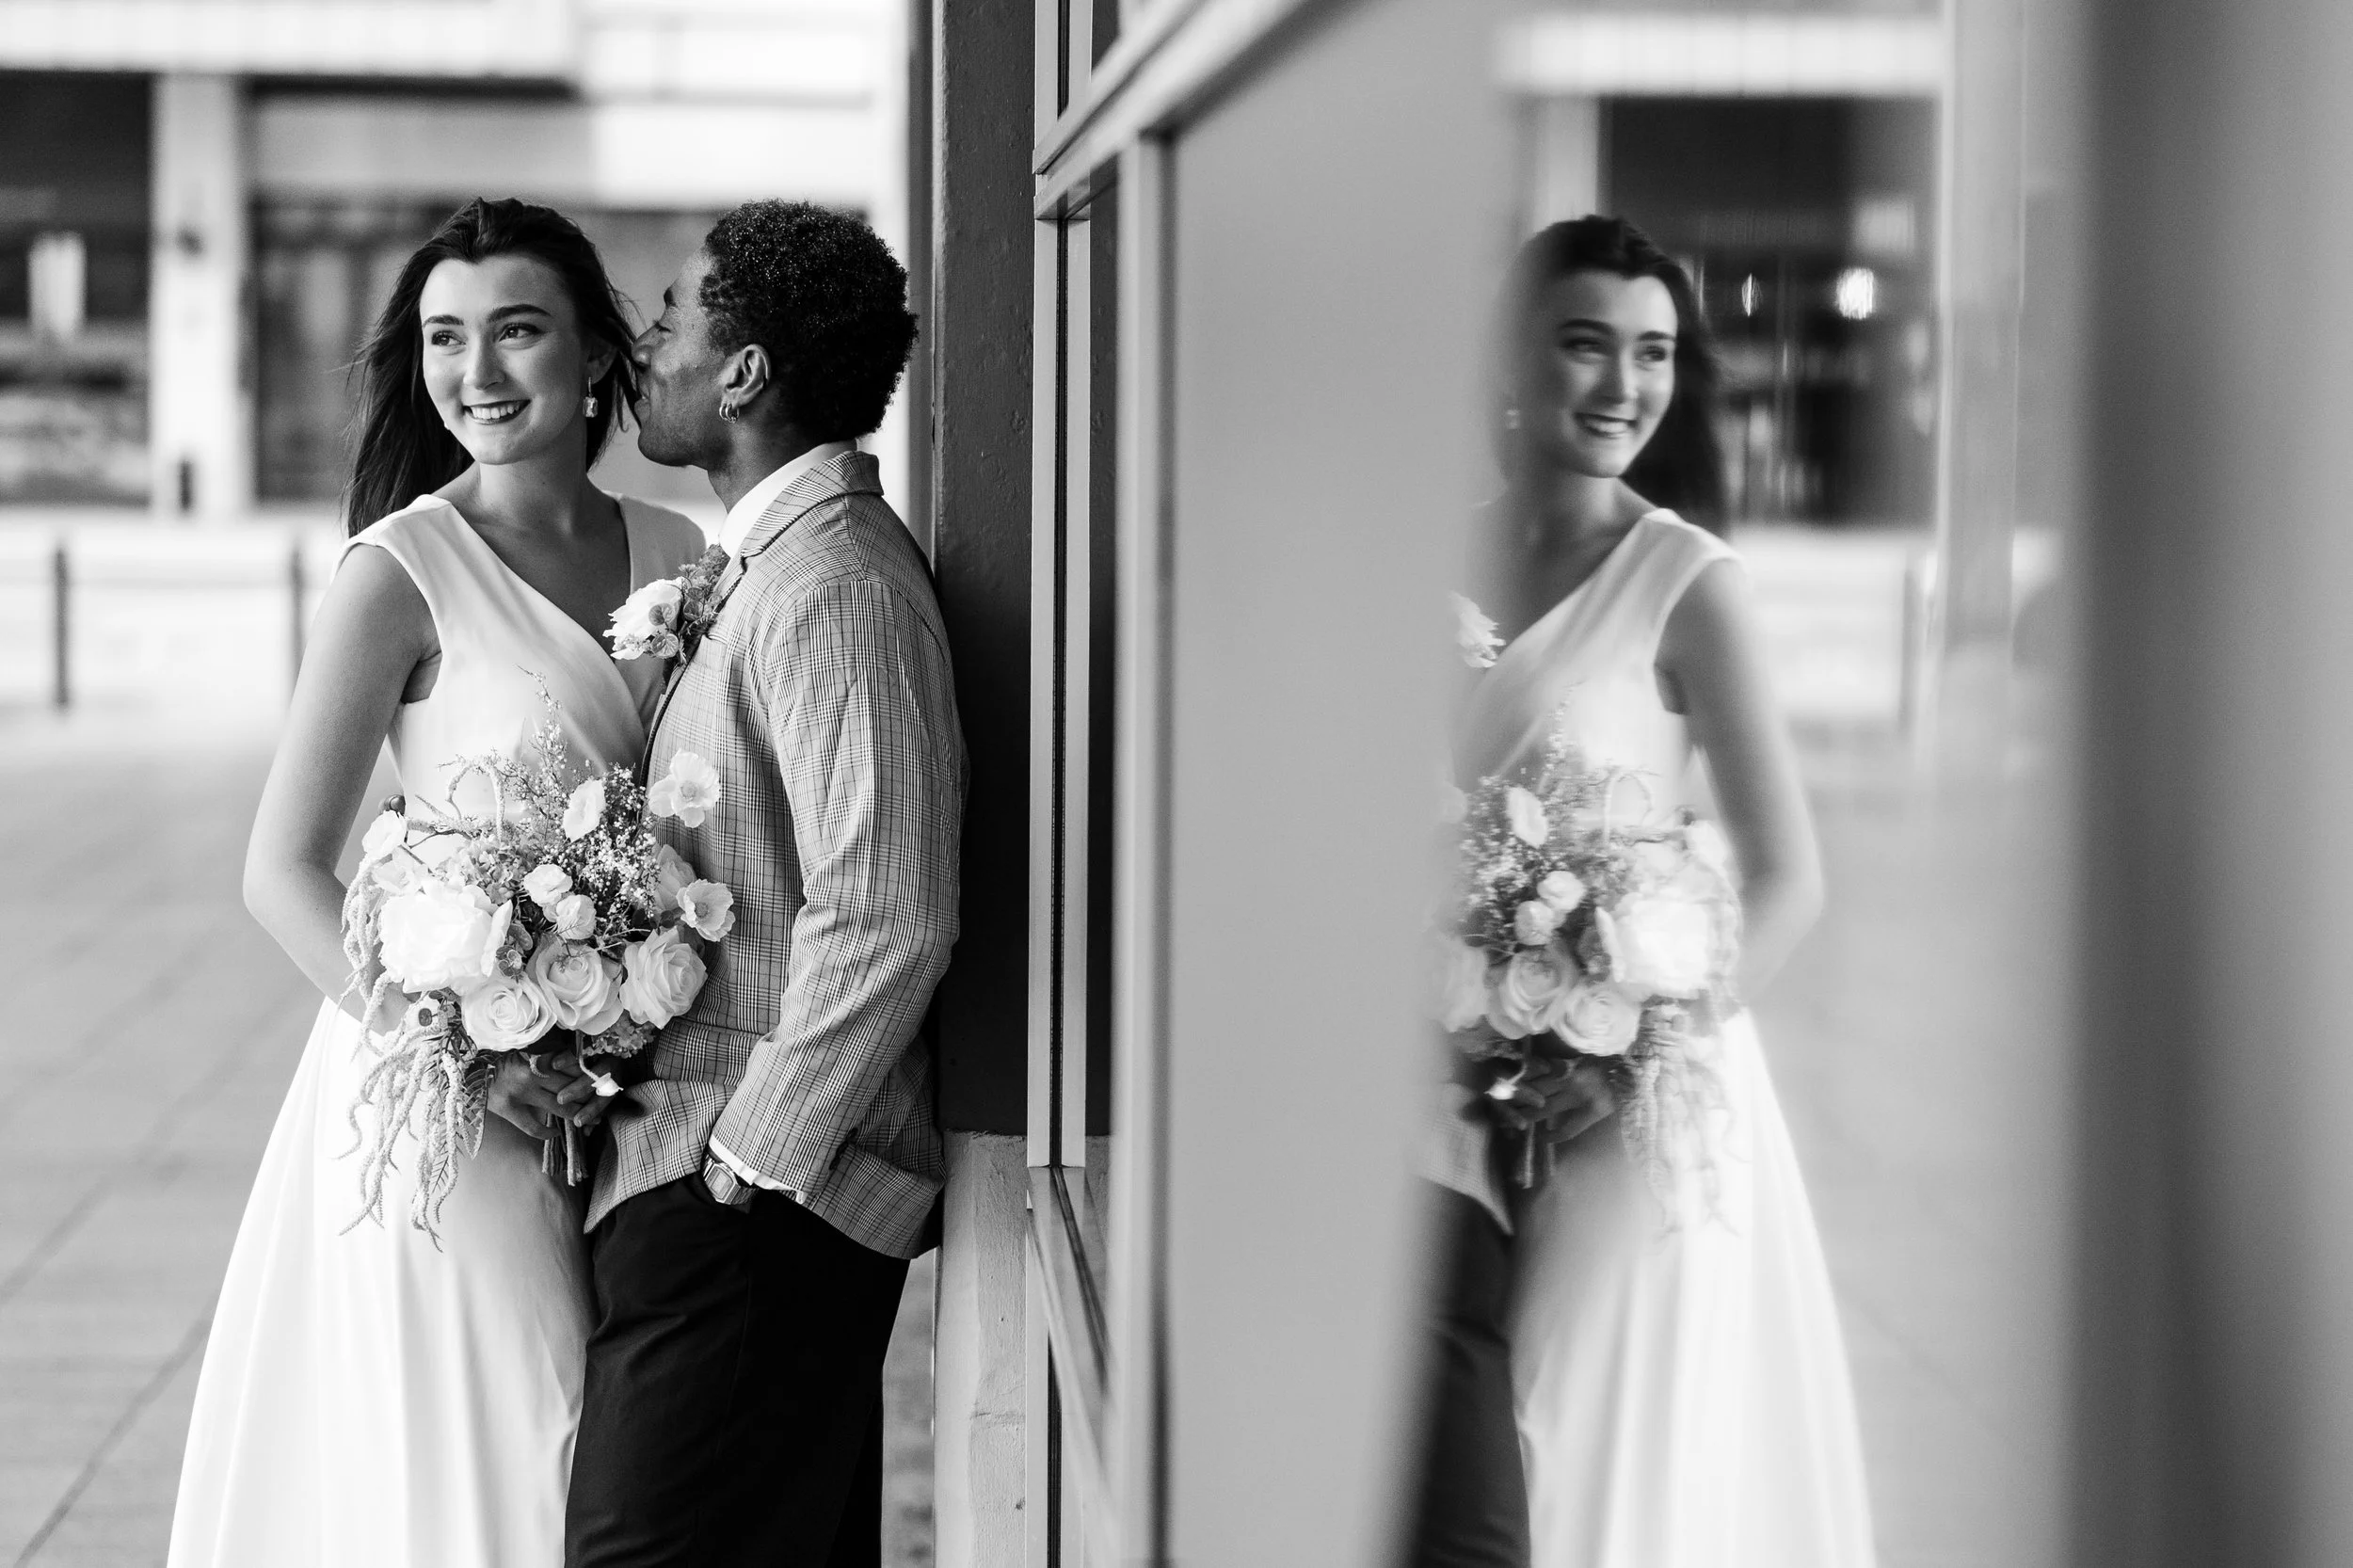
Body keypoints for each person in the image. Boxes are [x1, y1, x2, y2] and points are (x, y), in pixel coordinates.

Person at [167, 198, 709, 1568]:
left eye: (515, 332)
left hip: (647, 1073)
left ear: (592, 354)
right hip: (454, 1094)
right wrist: (458, 1050)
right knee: (524, 1429)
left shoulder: (687, 558)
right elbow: (280, 867)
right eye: (445, 338)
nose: (476, 373)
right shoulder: (400, 571)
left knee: (619, 1447)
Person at [1462, 216, 1876, 1566]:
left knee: (1579, 1427)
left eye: (1651, 353)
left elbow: (1787, 875)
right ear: (1512, 360)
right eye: (1586, 345)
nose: (1623, 386)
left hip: (1629, 1097)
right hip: (1445, 1081)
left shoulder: (1687, 581)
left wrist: (1635, 1053)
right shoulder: (1427, 554)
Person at [562, 200, 962, 1568]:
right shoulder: (773, 563)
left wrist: (743, 1164)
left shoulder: (835, 584)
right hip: (719, 1194)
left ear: (743, 373)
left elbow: (891, 907)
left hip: (750, 1201)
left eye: (671, 316)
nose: (646, 343)